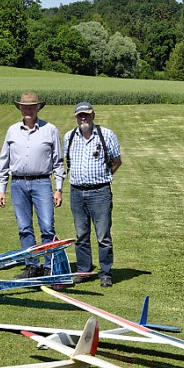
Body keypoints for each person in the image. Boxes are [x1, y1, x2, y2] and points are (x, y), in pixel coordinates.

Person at [0, 92, 63, 273]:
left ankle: (49, 266)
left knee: (47, 227)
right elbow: (4, 161)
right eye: (25, 107)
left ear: (38, 107)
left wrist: (58, 189)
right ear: (20, 109)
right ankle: (32, 265)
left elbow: (58, 162)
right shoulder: (12, 131)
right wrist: (1, 190)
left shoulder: (50, 129)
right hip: (18, 184)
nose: (28, 111)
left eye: (32, 107)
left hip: (42, 183)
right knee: (24, 228)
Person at [62, 102, 122, 287]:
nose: (83, 118)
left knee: (103, 236)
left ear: (93, 115)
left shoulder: (106, 135)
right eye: (80, 115)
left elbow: (116, 161)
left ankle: (105, 273)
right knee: (81, 235)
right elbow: (67, 160)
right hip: (76, 192)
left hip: (100, 192)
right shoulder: (69, 136)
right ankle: (84, 271)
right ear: (75, 117)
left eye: (86, 115)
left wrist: (103, 176)